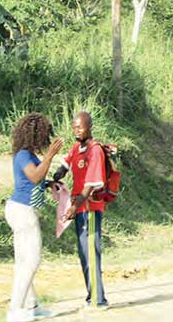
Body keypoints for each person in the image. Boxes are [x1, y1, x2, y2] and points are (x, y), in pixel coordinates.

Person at [5, 113, 64, 322]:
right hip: (22, 212)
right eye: (44, 135)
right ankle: (15, 310)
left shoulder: (27, 154)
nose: (46, 140)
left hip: (22, 209)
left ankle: (32, 305)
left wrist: (49, 184)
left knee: (24, 261)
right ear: (35, 135)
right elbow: (34, 176)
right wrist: (50, 156)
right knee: (32, 261)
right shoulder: (23, 155)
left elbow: (35, 180)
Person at [59, 112, 109, 310]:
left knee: (91, 253)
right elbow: (65, 165)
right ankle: (92, 295)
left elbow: (89, 187)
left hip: (89, 209)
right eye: (74, 127)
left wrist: (73, 206)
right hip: (79, 208)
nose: (76, 130)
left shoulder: (94, 150)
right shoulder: (76, 148)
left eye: (80, 127)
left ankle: (98, 299)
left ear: (90, 127)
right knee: (83, 253)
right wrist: (57, 176)